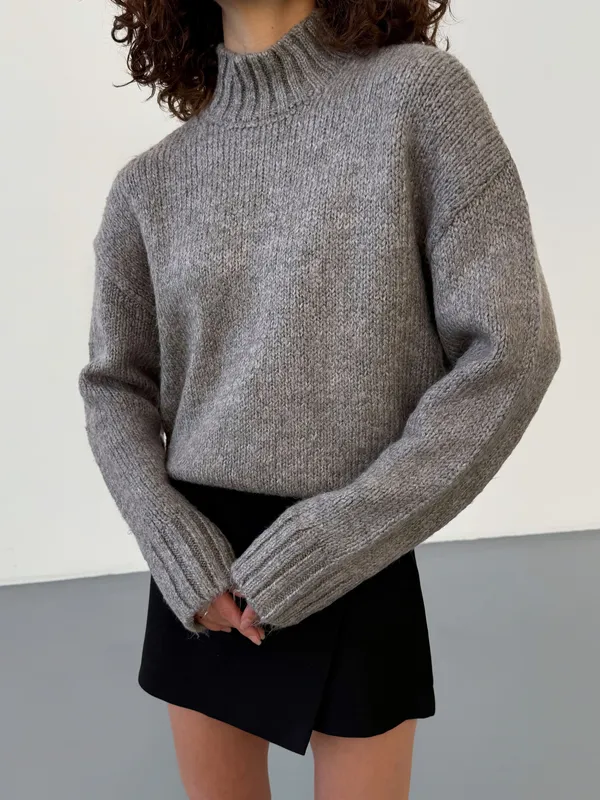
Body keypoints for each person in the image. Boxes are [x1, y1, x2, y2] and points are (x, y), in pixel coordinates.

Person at [77, 0, 562, 797]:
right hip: (202, 571)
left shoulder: (419, 98)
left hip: (358, 546)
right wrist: (172, 542)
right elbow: (114, 386)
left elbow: (513, 349)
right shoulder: (149, 184)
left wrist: (343, 536)